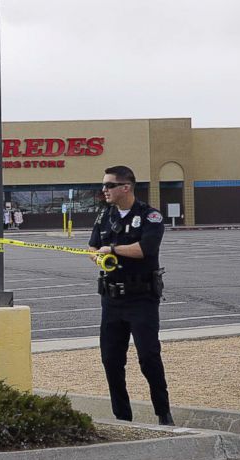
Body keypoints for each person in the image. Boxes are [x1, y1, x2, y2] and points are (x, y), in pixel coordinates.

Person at [89, 165, 173, 426]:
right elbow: (92, 246)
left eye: (109, 185)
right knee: (111, 360)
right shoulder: (104, 216)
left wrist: (111, 248)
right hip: (112, 299)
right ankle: (123, 417)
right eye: (104, 185)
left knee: (148, 356)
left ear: (126, 187)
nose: (105, 190)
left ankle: (163, 413)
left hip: (141, 298)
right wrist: (98, 257)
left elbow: (145, 249)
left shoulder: (150, 216)